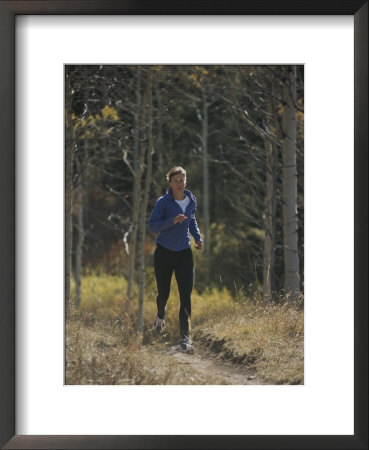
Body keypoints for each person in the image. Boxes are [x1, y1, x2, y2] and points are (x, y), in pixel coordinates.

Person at [148, 166, 203, 352]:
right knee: (163, 293)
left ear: (186, 181)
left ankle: (185, 338)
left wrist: (197, 237)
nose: (179, 184)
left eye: (182, 180)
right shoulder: (163, 202)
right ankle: (160, 316)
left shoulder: (191, 200)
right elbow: (153, 226)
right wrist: (172, 221)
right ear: (170, 183)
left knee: (185, 296)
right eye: (176, 181)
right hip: (164, 253)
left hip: (184, 254)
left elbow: (192, 219)